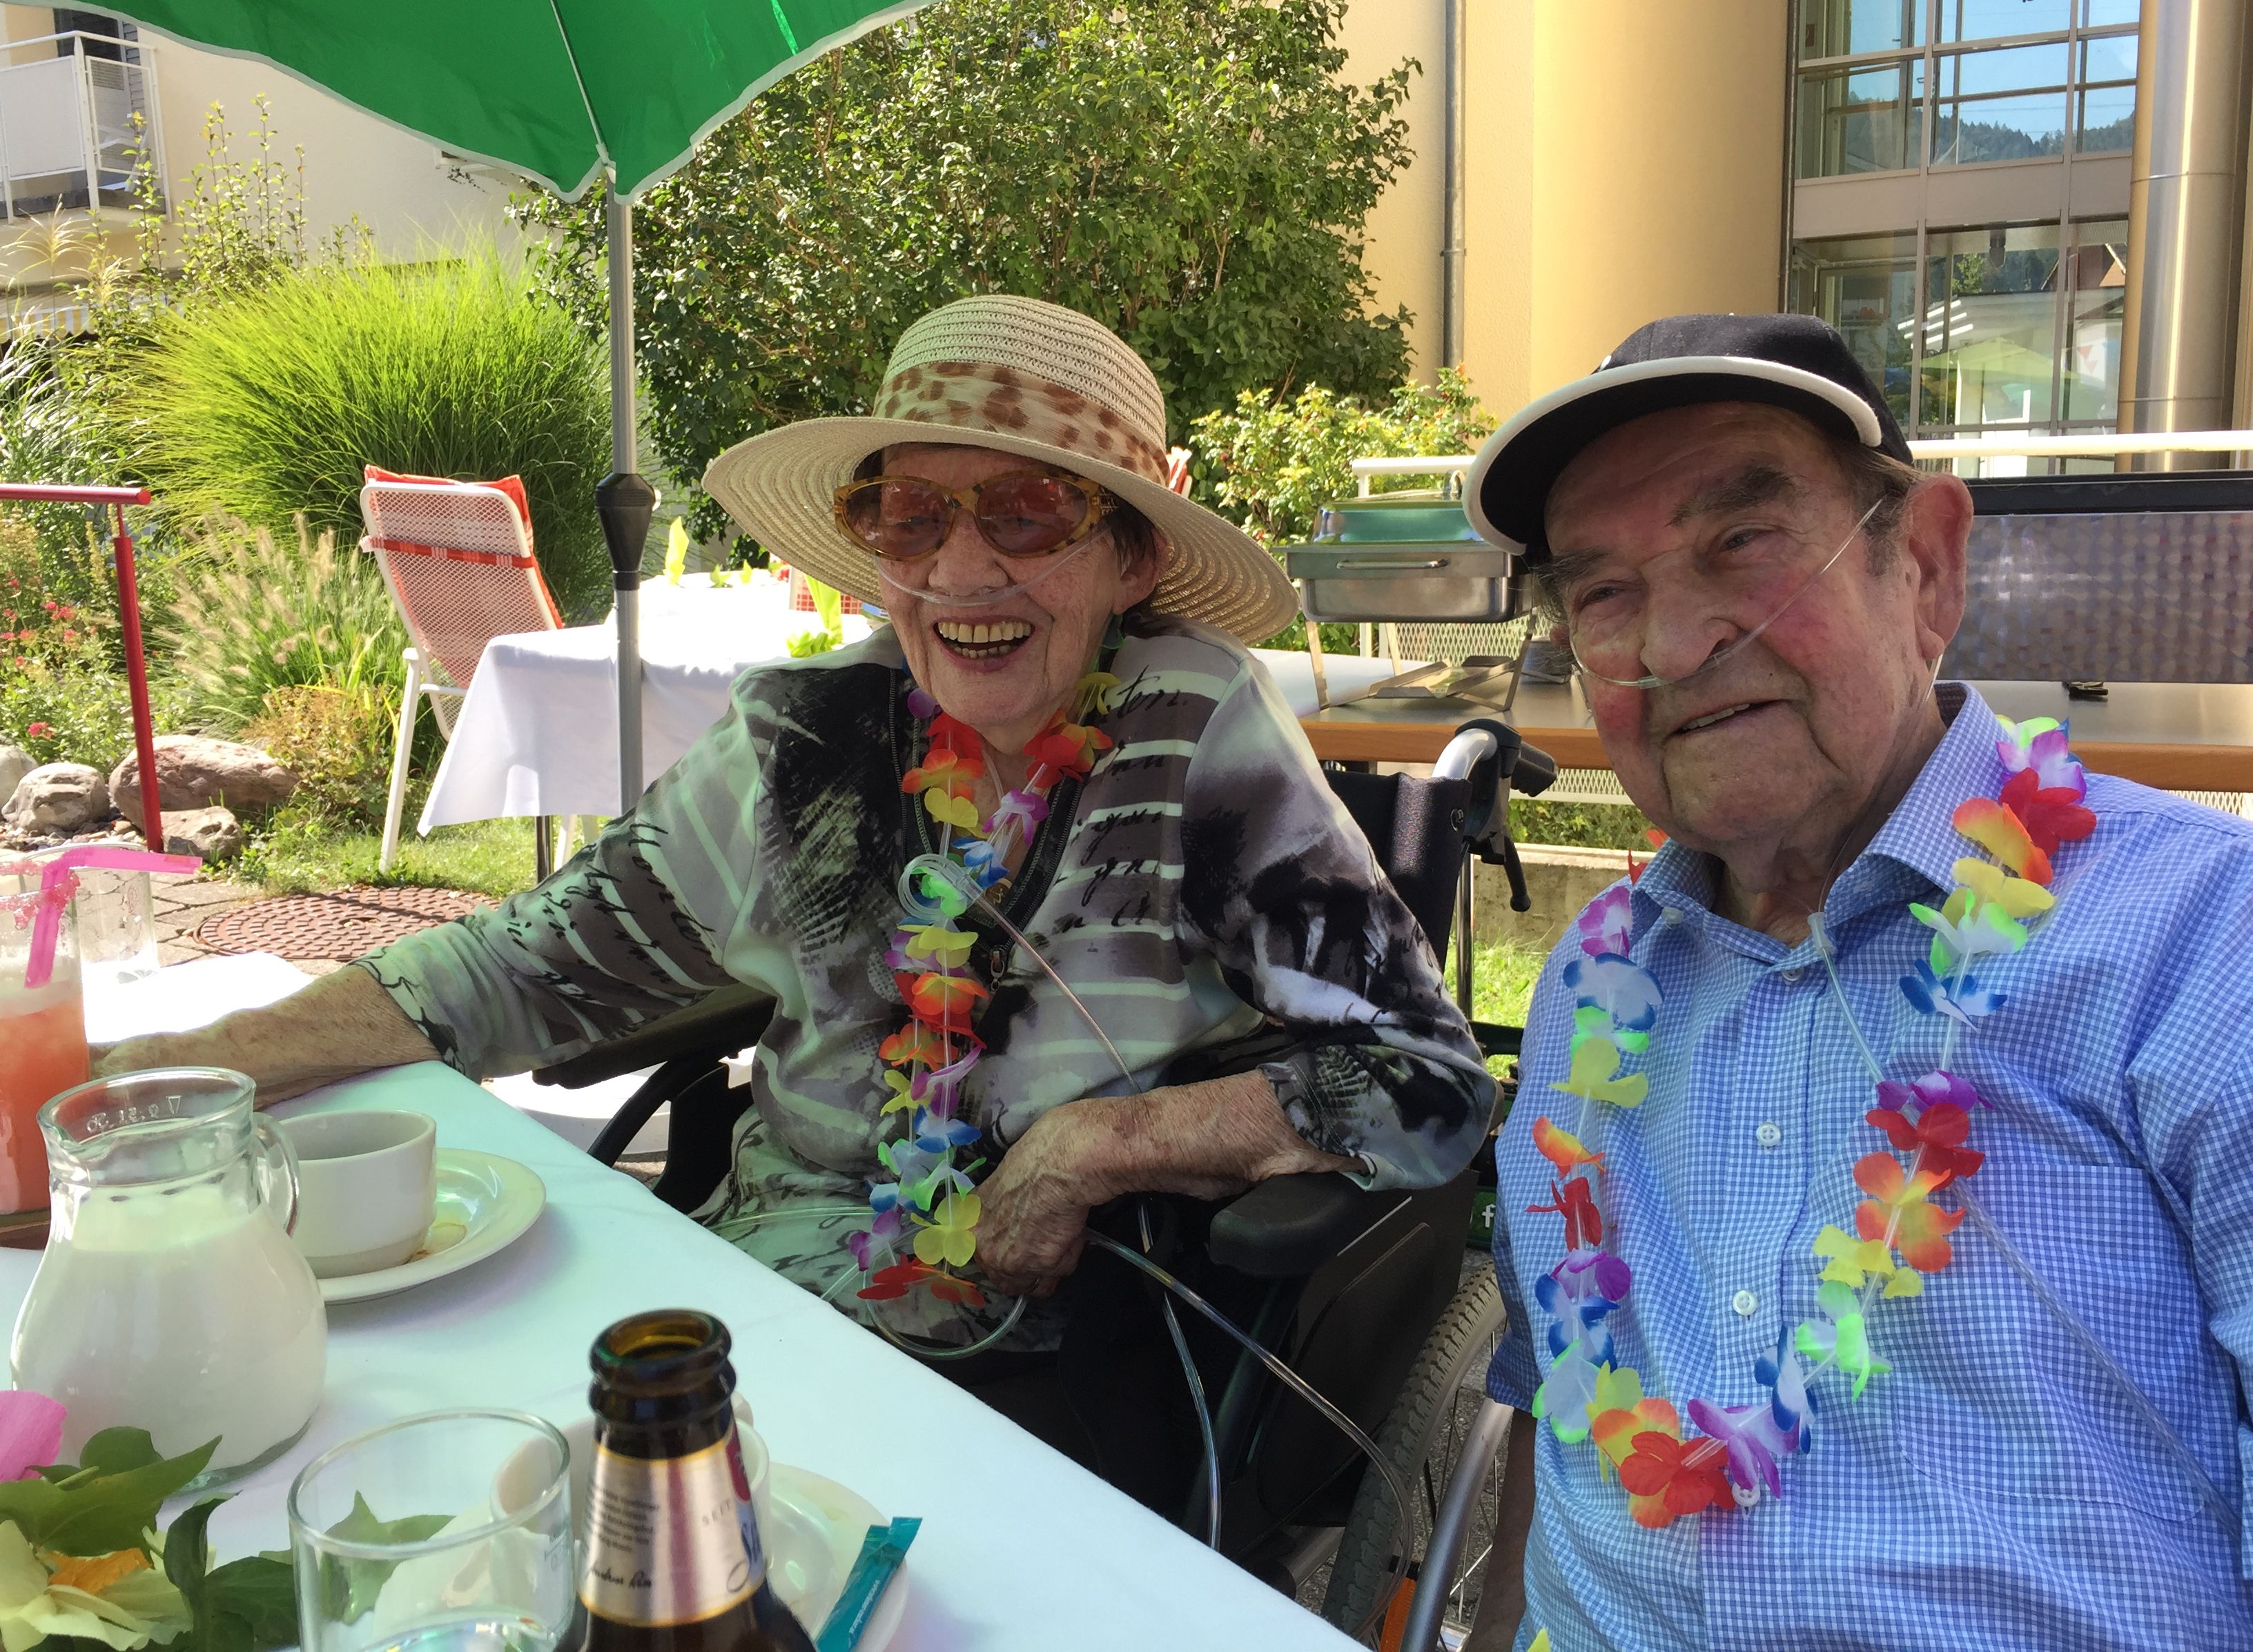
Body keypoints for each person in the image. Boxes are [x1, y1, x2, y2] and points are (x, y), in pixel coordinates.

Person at [101, 293, 1492, 1355]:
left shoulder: (1197, 730)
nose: (960, 568)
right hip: (758, 1276)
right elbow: (519, 964)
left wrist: (1093, 1148)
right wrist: (163, 1076)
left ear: (1129, 557)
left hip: (1051, 1331)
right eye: (911, 514)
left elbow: (1428, 1080)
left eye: (1028, 512)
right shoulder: (813, 734)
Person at [1463, 313, 2253, 1649]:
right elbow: (1560, 1403)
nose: (1675, 642)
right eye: (1603, 595)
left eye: (1743, 541)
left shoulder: (2203, 939)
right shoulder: (1592, 980)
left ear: (1927, 567)